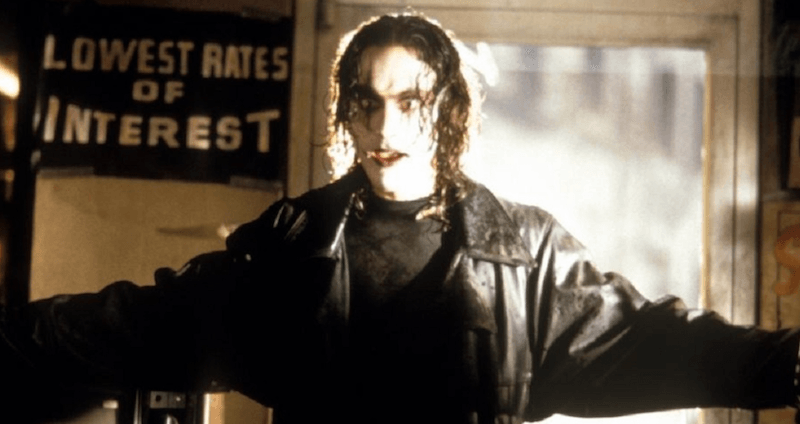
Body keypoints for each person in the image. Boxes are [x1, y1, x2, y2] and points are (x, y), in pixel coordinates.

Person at [2, 11, 800, 424]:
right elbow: (137, 325)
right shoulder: (291, 247)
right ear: (346, 111)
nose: (384, 126)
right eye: (366, 101)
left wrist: (785, 363)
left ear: (446, 109)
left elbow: (653, 339)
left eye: (410, 101)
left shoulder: (523, 254)